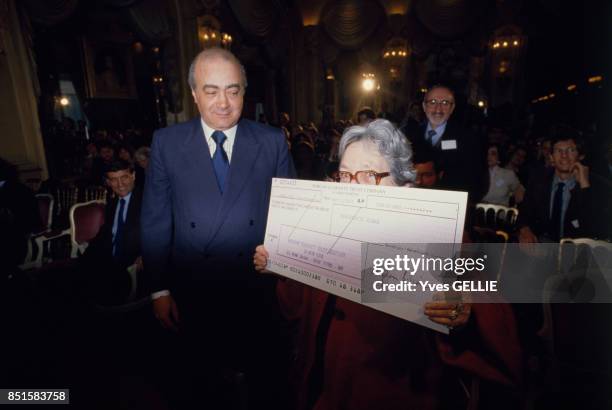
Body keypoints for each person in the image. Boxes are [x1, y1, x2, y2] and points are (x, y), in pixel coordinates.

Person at [253, 120, 522, 410]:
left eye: (369, 175)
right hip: (323, 394)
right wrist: (284, 268)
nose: (353, 187)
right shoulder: (324, 230)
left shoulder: (442, 236)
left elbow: (496, 328)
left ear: (404, 183)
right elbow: (294, 311)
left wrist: (462, 314)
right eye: (345, 175)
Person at [140, 47, 295, 407]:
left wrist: (282, 259)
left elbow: (290, 215)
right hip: (193, 288)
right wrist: (159, 290)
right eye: (211, 91)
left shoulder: (271, 141)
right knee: (203, 385)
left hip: (256, 287)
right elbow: (156, 219)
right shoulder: (167, 143)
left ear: (244, 91)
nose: (223, 102)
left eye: (233, 90)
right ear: (194, 94)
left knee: (263, 383)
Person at [406, 85, 487, 202]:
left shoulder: (468, 139)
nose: (438, 109)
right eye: (432, 102)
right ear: (424, 106)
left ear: (452, 108)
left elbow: (477, 180)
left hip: (450, 206)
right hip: (413, 203)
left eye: (445, 103)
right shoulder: (408, 134)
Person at [81, 159, 144, 305]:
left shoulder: (148, 200)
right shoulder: (113, 203)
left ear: (133, 175)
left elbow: (163, 232)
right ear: (108, 182)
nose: (120, 184)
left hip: (131, 262)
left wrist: (147, 254)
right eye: (114, 180)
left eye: (124, 177)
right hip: (109, 259)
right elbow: (106, 233)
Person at [517, 126, 595, 243]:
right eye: (559, 151)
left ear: (580, 156)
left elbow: (595, 226)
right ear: (551, 157)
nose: (564, 155)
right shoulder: (538, 181)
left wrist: (584, 186)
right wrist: (525, 230)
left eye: (570, 150)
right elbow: (524, 214)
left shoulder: (594, 184)